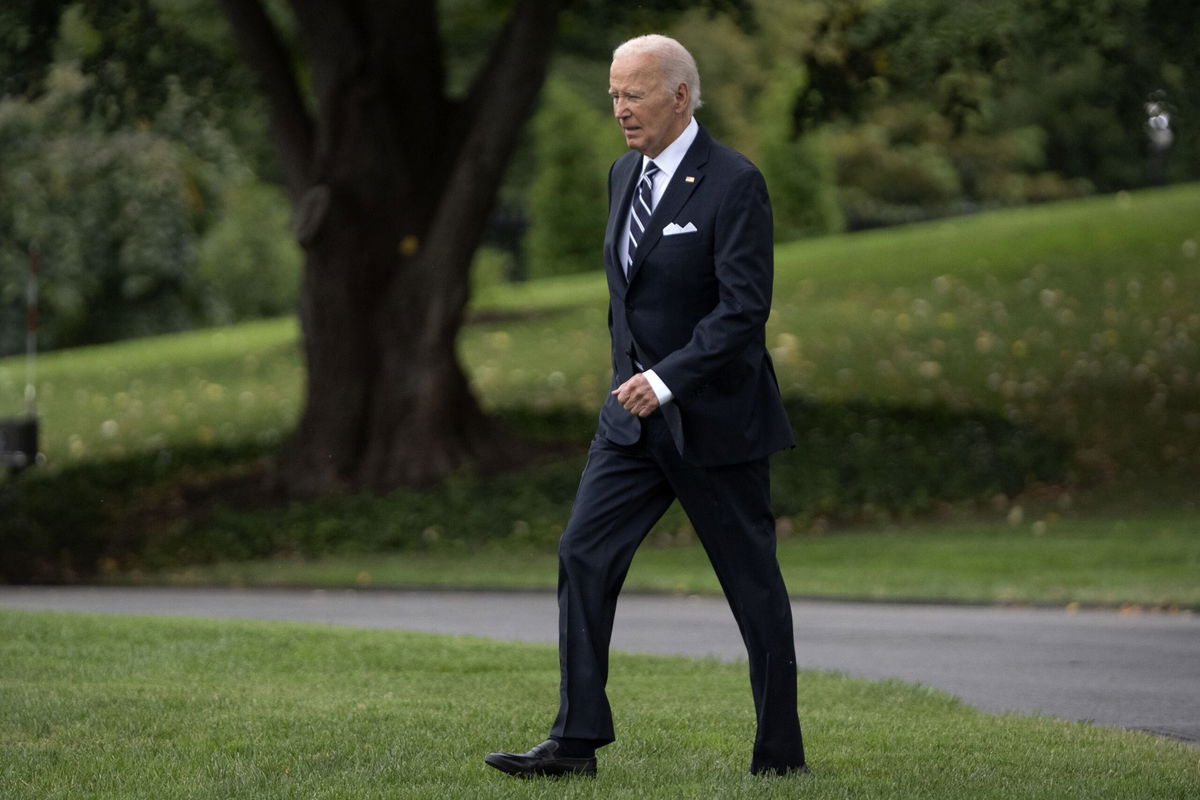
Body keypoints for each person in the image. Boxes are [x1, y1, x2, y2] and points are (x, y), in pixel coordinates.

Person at [485, 33, 806, 778]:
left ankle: (780, 757)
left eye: (633, 94)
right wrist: (629, 386)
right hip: (631, 423)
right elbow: (627, 299)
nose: (620, 109)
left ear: (679, 97)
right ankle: (575, 743)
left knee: (752, 585)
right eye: (613, 94)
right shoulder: (621, 175)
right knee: (582, 554)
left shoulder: (735, 182)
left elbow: (743, 309)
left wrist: (666, 380)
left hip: (716, 424)